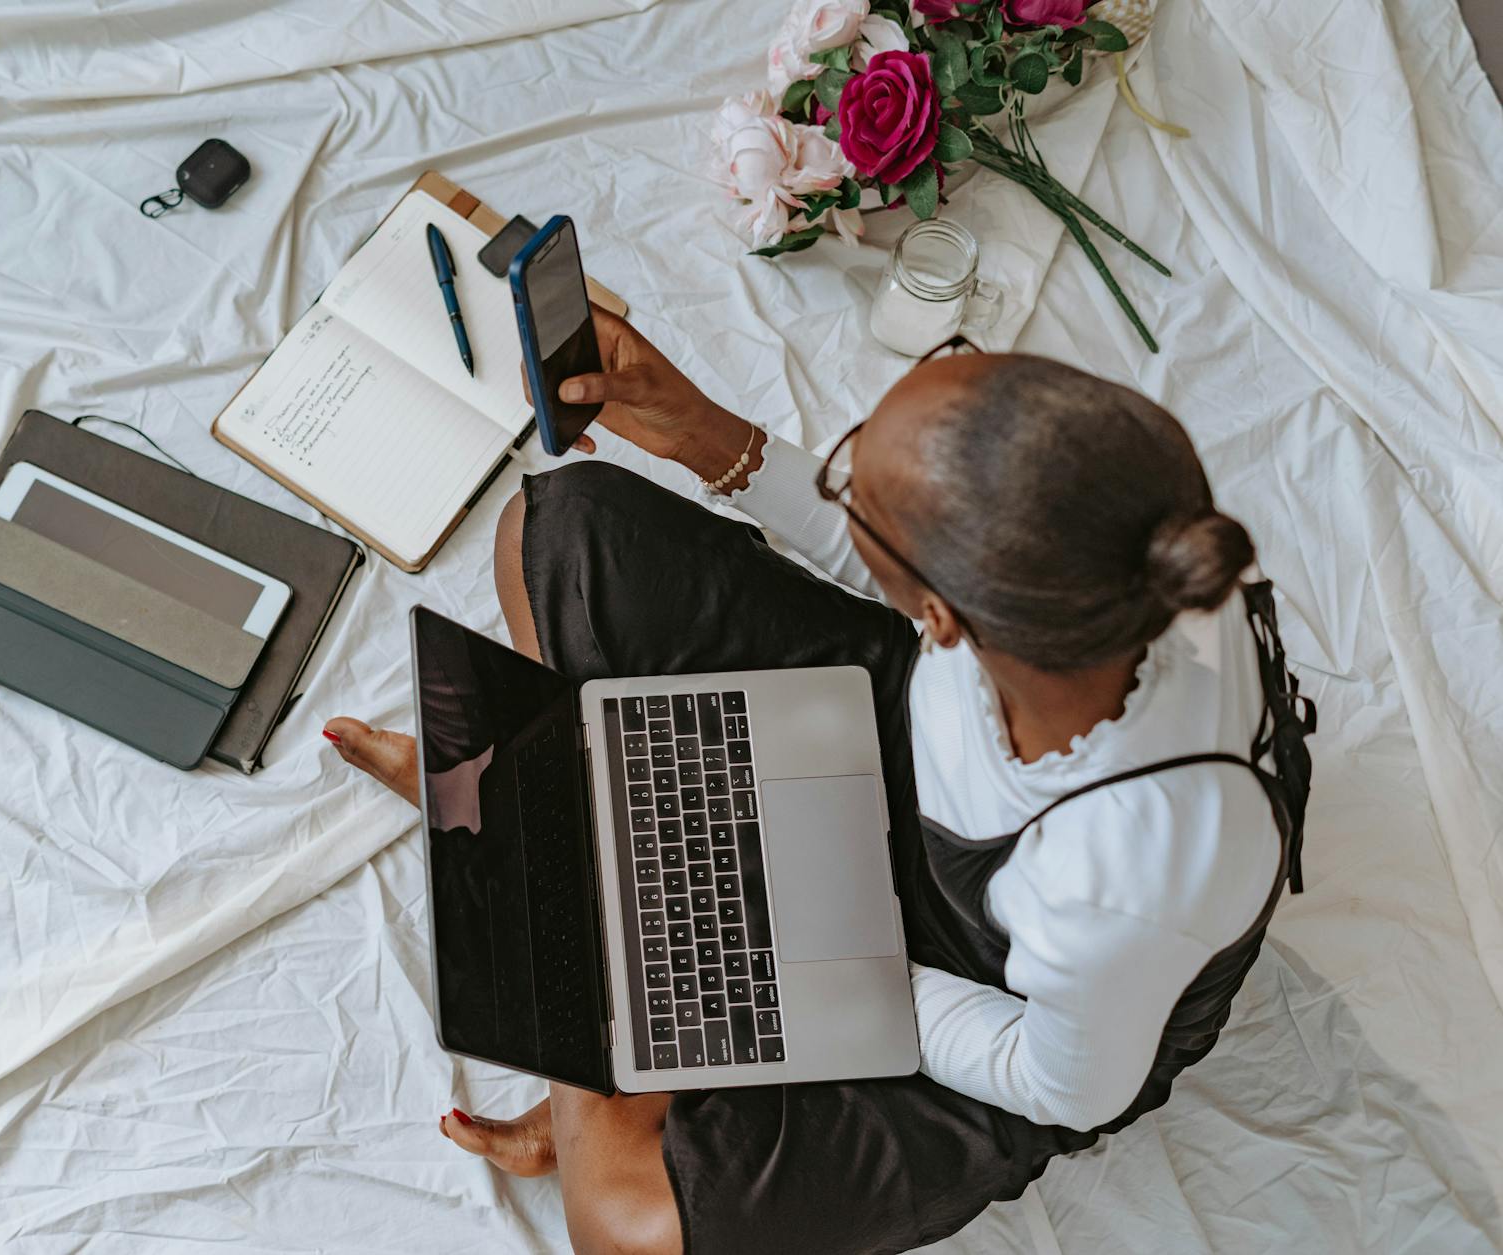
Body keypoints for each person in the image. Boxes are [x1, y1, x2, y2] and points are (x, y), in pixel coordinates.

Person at [323, 310, 1313, 1254]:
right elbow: (902, 545)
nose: (835, 477)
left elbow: (1063, 1084)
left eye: (854, 487)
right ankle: (599, 936)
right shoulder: (1101, 550)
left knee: (625, 1224)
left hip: (989, 1002)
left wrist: (813, 955)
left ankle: (558, 892)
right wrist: (697, 430)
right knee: (556, 532)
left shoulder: (1125, 876)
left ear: (939, 615)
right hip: (904, 750)